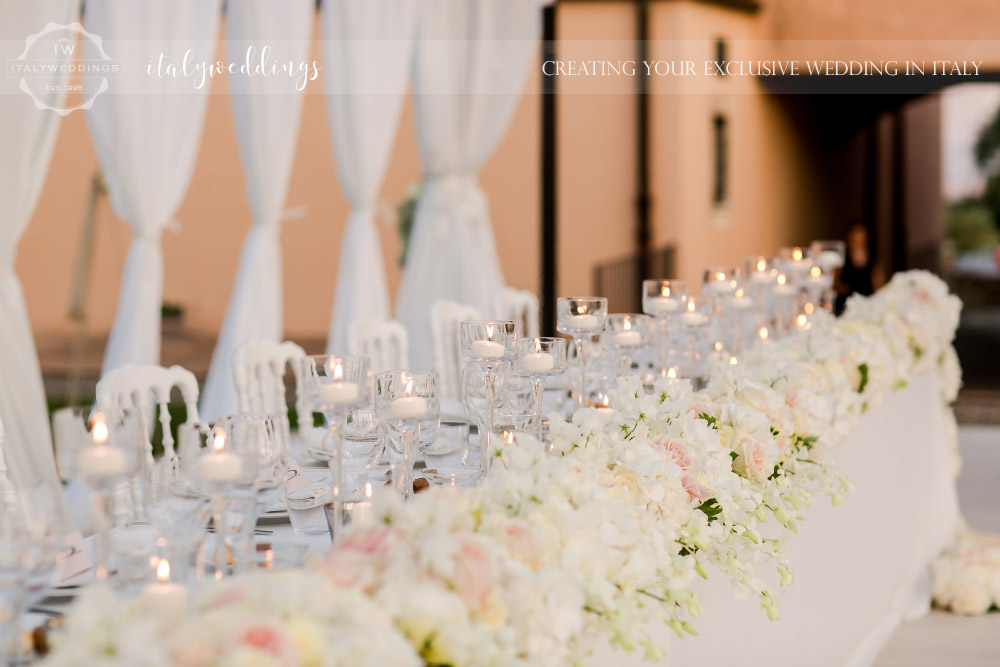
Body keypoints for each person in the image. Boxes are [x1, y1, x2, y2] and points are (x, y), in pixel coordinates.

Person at [835, 221, 884, 314]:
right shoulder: (842, 257)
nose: (858, 236)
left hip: (867, 304)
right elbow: (835, 282)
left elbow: (879, 285)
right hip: (845, 305)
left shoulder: (873, 259)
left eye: (861, 232)